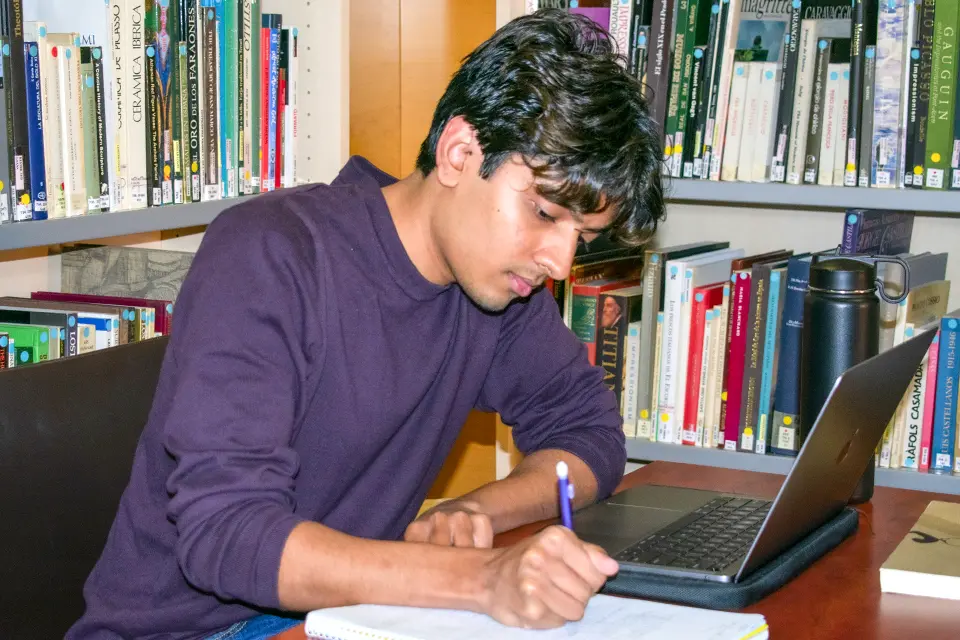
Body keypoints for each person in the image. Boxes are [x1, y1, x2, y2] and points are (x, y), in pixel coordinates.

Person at [66, 8, 664, 640]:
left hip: (352, 615)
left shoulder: (499, 287)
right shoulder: (270, 253)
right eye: (545, 213)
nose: (560, 261)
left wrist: (473, 510)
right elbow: (228, 537)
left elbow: (589, 433)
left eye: (583, 237)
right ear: (461, 152)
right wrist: (483, 578)